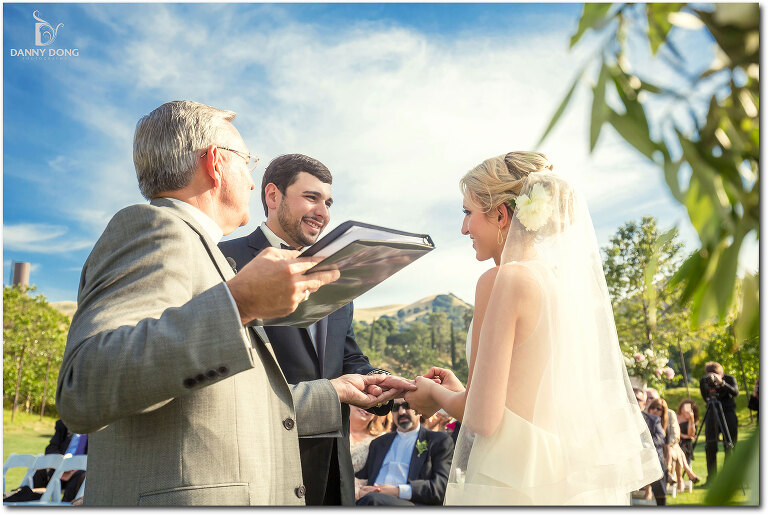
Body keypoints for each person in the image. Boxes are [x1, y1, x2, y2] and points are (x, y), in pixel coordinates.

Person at [55, 101, 410, 506]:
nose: (252, 182)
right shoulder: (153, 228)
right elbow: (84, 386)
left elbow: (236, 402)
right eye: (247, 162)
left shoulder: (204, 252)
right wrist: (239, 302)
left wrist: (336, 391)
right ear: (215, 163)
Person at [404, 152, 662, 504]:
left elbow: (483, 419)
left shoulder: (502, 280)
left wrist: (432, 394)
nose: (464, 228)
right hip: (557, 471)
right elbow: (515, 401)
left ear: (500, 215)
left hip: (509, 478)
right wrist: (461, 392)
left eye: (467, 212)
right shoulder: (559, 284)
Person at [219, 153, 403, 505]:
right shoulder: (225, 260)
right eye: (311, 197)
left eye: (328, 202)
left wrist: (379, 381)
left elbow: (347, 356)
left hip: (334, 468)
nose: (324, 212)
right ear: (273, 196)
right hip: (264, 466)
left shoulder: (337, 274)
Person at [354, 400, 454, 506]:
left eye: (407, 405)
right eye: (395, 407)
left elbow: (440, 488)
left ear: (419, 409)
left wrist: (397, 491)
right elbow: (361, 477)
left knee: (372, 500)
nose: (401, 412)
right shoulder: (379, 443)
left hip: (410, 503)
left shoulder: (437, 441)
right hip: (369, 500)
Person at [698, 361, 739, 481]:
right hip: (712, 414)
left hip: (728, 414)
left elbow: (735, 392)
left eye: (714, 375)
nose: (712, 378)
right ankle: (711, 479)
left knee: (730, 445)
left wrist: (722, 383)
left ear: (721, 374)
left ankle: (727, 478)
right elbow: (705, 397)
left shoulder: (729, 379)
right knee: (710, 446)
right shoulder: (704, 381)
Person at [635, 389, 667, 505]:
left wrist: (643, 444)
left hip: (650, 459)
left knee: (657, 464)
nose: (633, 401)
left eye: (637, 399)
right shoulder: (619, 420)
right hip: (630, 460)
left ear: (644, 403)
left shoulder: (653, 420)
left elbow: (660, 438)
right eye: (631, 398)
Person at [350, 408, 391, 498]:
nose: (365, 409)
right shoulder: (334, 432)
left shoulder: (381, 441)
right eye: (360, 403)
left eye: (371, 406)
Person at [677, 399, 699, 465]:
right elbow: (674, 431)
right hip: (678, 442)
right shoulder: (676, 417)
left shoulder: (693, 420)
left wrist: (691, 419)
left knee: (688, 463)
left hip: (687, 445)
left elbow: (691, 434)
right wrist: (683, 436)